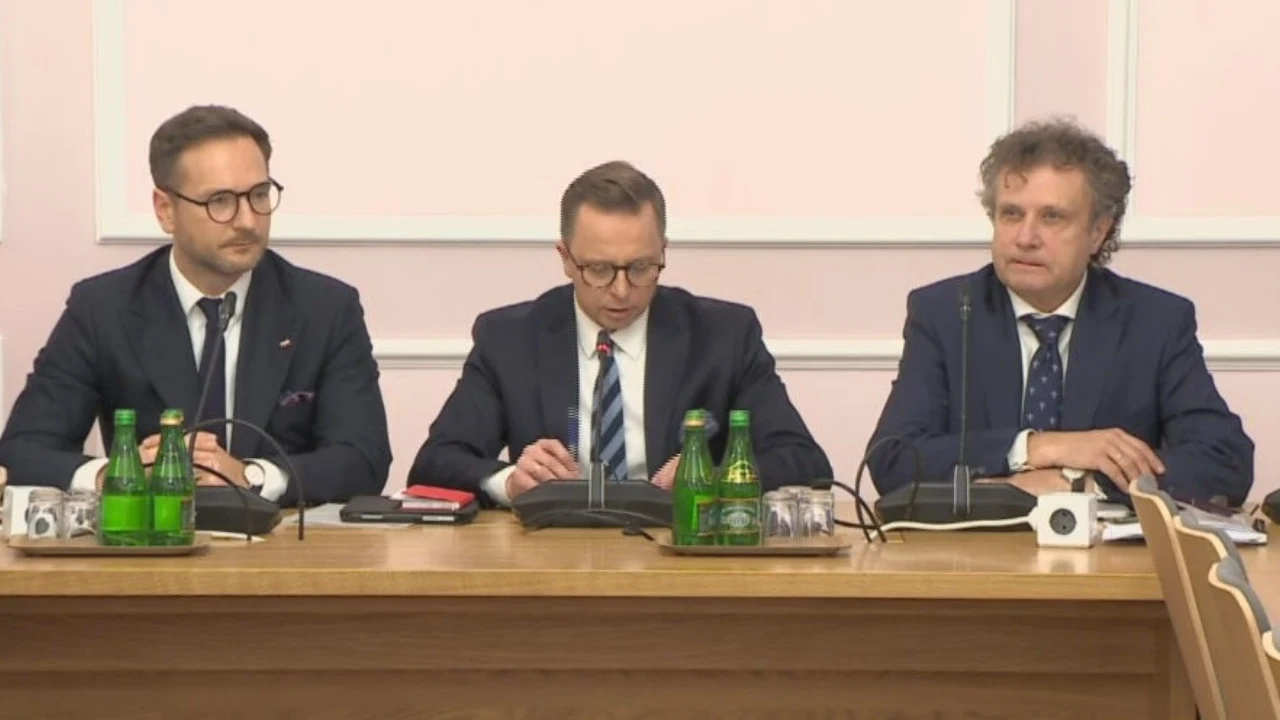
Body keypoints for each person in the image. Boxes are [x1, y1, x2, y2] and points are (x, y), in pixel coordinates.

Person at [0, 105, 391, 506]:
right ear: (165, 210)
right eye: (220, 201)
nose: (248, 220)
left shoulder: (325, 309)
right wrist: (117, 473)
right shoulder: (103, 309)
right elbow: (22, 451)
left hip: (281, 541)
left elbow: (364, 459)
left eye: (259, 195)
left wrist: (250, 475)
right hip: (149, 538)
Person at [868, 118, 1253, 506]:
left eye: (1052, 217)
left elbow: (1225, 460)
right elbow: (893, 459)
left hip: (1103, 544)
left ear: (1098, 232)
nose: (1025, 238)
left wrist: (1080, 485)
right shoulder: (946, 313)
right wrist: (1038, 448)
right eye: (1011, 214)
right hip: (979, 543)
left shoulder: (1155, 321)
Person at [410, 160, 831, 505]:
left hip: (680, 557)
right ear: (565, 258)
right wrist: (509, 481)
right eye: (599, 269)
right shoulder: (510, 339)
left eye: (642, 267)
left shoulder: (723, 336)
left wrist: (714, 475)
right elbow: (435, 463)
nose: (622, 290)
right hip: (553, 557)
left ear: (663, 251)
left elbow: (805, 462)